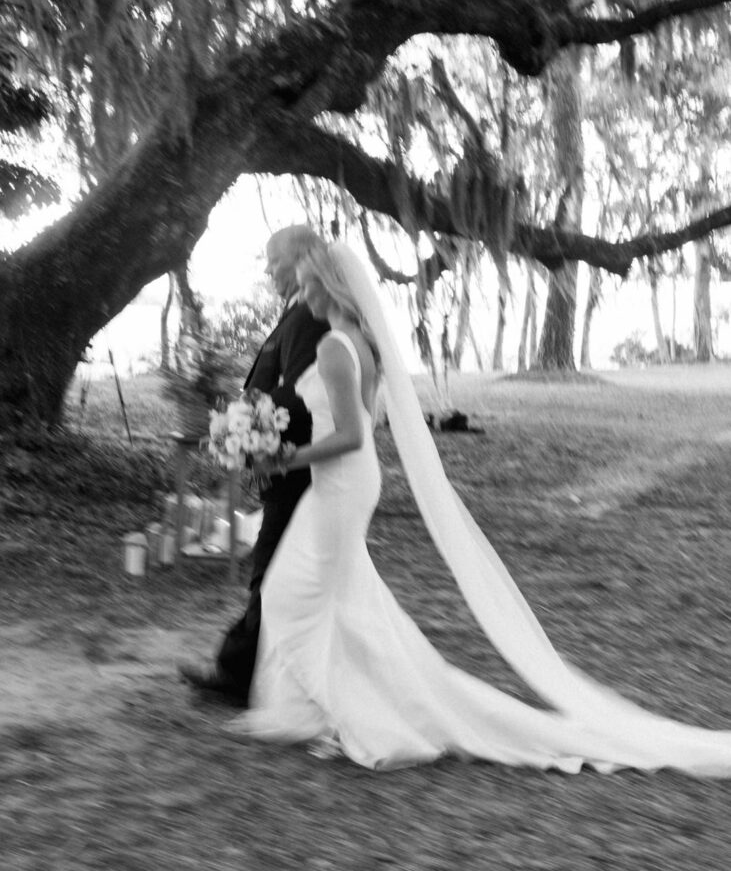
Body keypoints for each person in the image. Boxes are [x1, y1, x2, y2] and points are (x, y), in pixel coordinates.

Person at [224, 240, 731, 775]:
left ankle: (364, 715)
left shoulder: (332, 348)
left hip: (341, 482)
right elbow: (364, 427)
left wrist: (284, 459)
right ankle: (335, 709)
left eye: (306, 284)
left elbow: (351, 434)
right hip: (348, 482)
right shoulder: (359, 341)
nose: (300, 294)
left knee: (289, 593)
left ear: (330, 285)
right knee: (341, 598)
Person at [180, 225, 329, 706]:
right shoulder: (298, 311)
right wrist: (244, 422)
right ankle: (261, 669)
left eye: (274, 260)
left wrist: (254, 428)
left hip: (295, 465)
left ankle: (236, 674)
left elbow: (301, 393)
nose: (268, 270)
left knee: (271, 568)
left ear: (304, 257)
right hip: (282, 461)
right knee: (279, 567)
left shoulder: (309, 314)